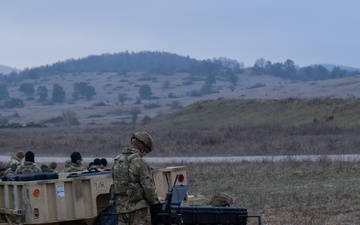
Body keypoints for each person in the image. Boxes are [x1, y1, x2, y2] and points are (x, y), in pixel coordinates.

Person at [111, 131, 164, 225]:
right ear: (142, 145)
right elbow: (148, 187)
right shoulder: (139, 162)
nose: (145, 153)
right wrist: (155, 200)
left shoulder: (117, 160)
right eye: (146, 150)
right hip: (138, 210)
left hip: (121, 209)